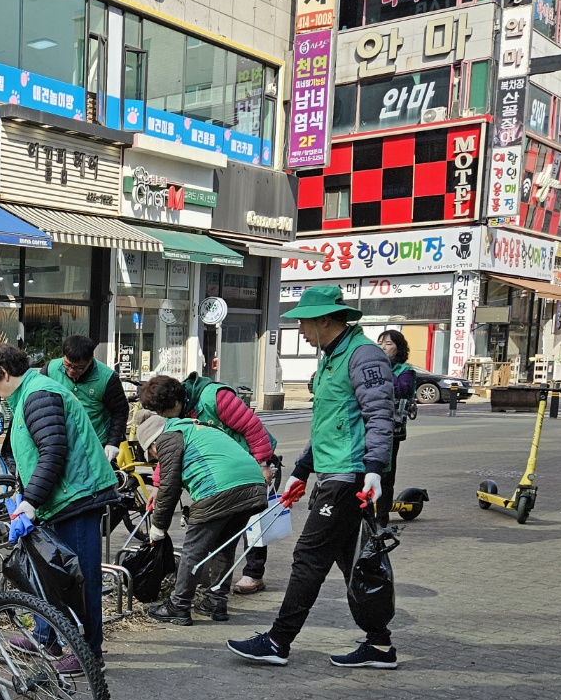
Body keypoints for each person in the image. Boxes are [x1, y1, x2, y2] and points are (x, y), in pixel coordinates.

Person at [227, 285, 398, 670]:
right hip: (333, 473)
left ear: (325, 319)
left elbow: (380, 417)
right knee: (351, 563)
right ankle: (380, 645)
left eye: (304, 321)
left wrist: (373, 470)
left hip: (349, 478)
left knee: (308, 557)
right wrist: (302, 470)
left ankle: (277, 641)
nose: (300, 329)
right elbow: (327, 426)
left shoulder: (363, 356)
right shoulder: (331, 358)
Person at [0, 341, 119, 668]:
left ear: (3, 374)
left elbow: (53, 453)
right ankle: (46, 637)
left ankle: (88, 653)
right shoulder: (29, 392)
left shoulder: (38, 395)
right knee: (48, 571)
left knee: (79, 577)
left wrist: (29, 502)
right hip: (59, 499)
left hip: (78, 497)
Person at [139, 374, 278, 595]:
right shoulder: (180, 416)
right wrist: (156, 484)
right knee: (225, 537)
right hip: (223, 472)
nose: (163, 418)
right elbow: (171, 456)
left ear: (176, 402)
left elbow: (253, 427)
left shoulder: (215, 397)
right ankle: (215, 596)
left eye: (164, 413)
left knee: (252, 527)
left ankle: (253, 572)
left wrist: (263, 463)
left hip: (249, 463)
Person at [134, 409, 267, 625]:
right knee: (224, 547)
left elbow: (170, 485)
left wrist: (158, 527)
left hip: (219, 489)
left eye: (152, 454)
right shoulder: (194, 427)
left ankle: (178, 605)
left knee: (193, 551)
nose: (155, 458)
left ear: (152, 444)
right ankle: (215, 601)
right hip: (252, 484)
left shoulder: (167, 437)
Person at [43, 334, 130, 461]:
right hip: (59, 441)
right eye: (67, 365)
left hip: (95, 444)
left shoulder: (107, 378)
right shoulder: (50, 370)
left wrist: (113, 443)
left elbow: (120, 412)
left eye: (79, 367)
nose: (72, 371)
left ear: (90, 360)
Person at [376, 330, 416, 526]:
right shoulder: (372, 366)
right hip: (368, 427)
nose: (383, 347)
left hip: (392, 430)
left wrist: (383, 372)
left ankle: (381, 518)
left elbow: (402, 389)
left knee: (386, 473)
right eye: (380, 343)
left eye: (388, 344)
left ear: (398, 348)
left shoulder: (404, 371)